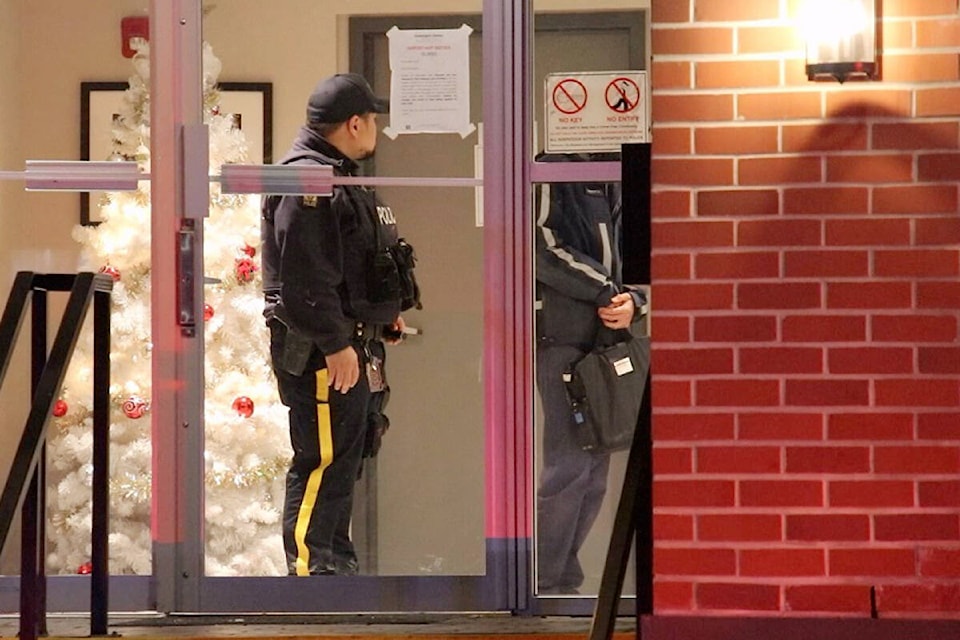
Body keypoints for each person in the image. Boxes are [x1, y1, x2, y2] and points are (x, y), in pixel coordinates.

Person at [261, 73, 419, 576]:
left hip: (349, 343)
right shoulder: (309, 181)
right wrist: (334, 343)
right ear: (355, 123)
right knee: (323, 461)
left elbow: (352, 261)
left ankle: (335, 569)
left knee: (344, 460)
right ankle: (311, 575)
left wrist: (380, 319)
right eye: (372, 119)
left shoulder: (335, 174)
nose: (376, 129)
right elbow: (303, 278)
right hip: (322, 350)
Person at [534, 153, 646, 595]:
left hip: (606, 344)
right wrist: (608, 291)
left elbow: (642, 257)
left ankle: (561, 580)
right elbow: (538, 245)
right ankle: (542, 584)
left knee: (595, 472)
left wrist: (635, 301)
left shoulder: (618, 175)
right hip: (563, 343)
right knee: (570, 467)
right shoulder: (551, 168)